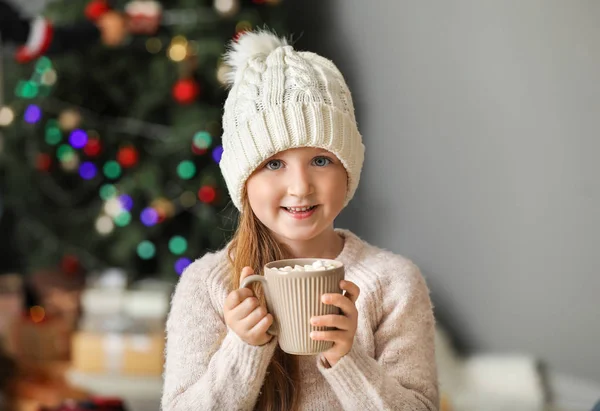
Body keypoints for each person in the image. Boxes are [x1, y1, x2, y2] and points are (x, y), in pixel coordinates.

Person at [161, 29, 439, 411]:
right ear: (242, 179)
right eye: (274, 164)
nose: (300, 187)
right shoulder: (206, 286)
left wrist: (348, 360)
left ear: (348, 170)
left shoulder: (394, 283)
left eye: (321, 160)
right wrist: (244, 348)